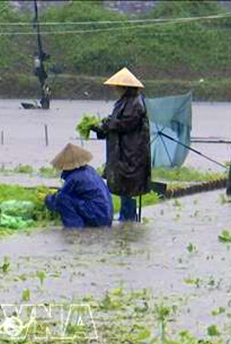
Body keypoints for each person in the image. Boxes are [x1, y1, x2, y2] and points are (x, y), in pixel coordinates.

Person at [92, 67, 151, 222]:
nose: (115, 89)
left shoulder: (136, 103)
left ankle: (128, 218)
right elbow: (116, 122)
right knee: (124, 186)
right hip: (123, 152)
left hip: (132, 153)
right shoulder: (124, 102)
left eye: (117, 86)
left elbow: (125, 124)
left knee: (128, 187)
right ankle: (127, 222)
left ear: (125, 87)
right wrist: (102, 126)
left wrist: (107, 125)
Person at [44, 143, 113, 228]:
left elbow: (59, 198)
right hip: (106, 215)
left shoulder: (74, 178)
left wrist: (47, 198)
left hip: (99, 216)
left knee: (61, 199)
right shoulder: (89, 170)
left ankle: (75, 229)